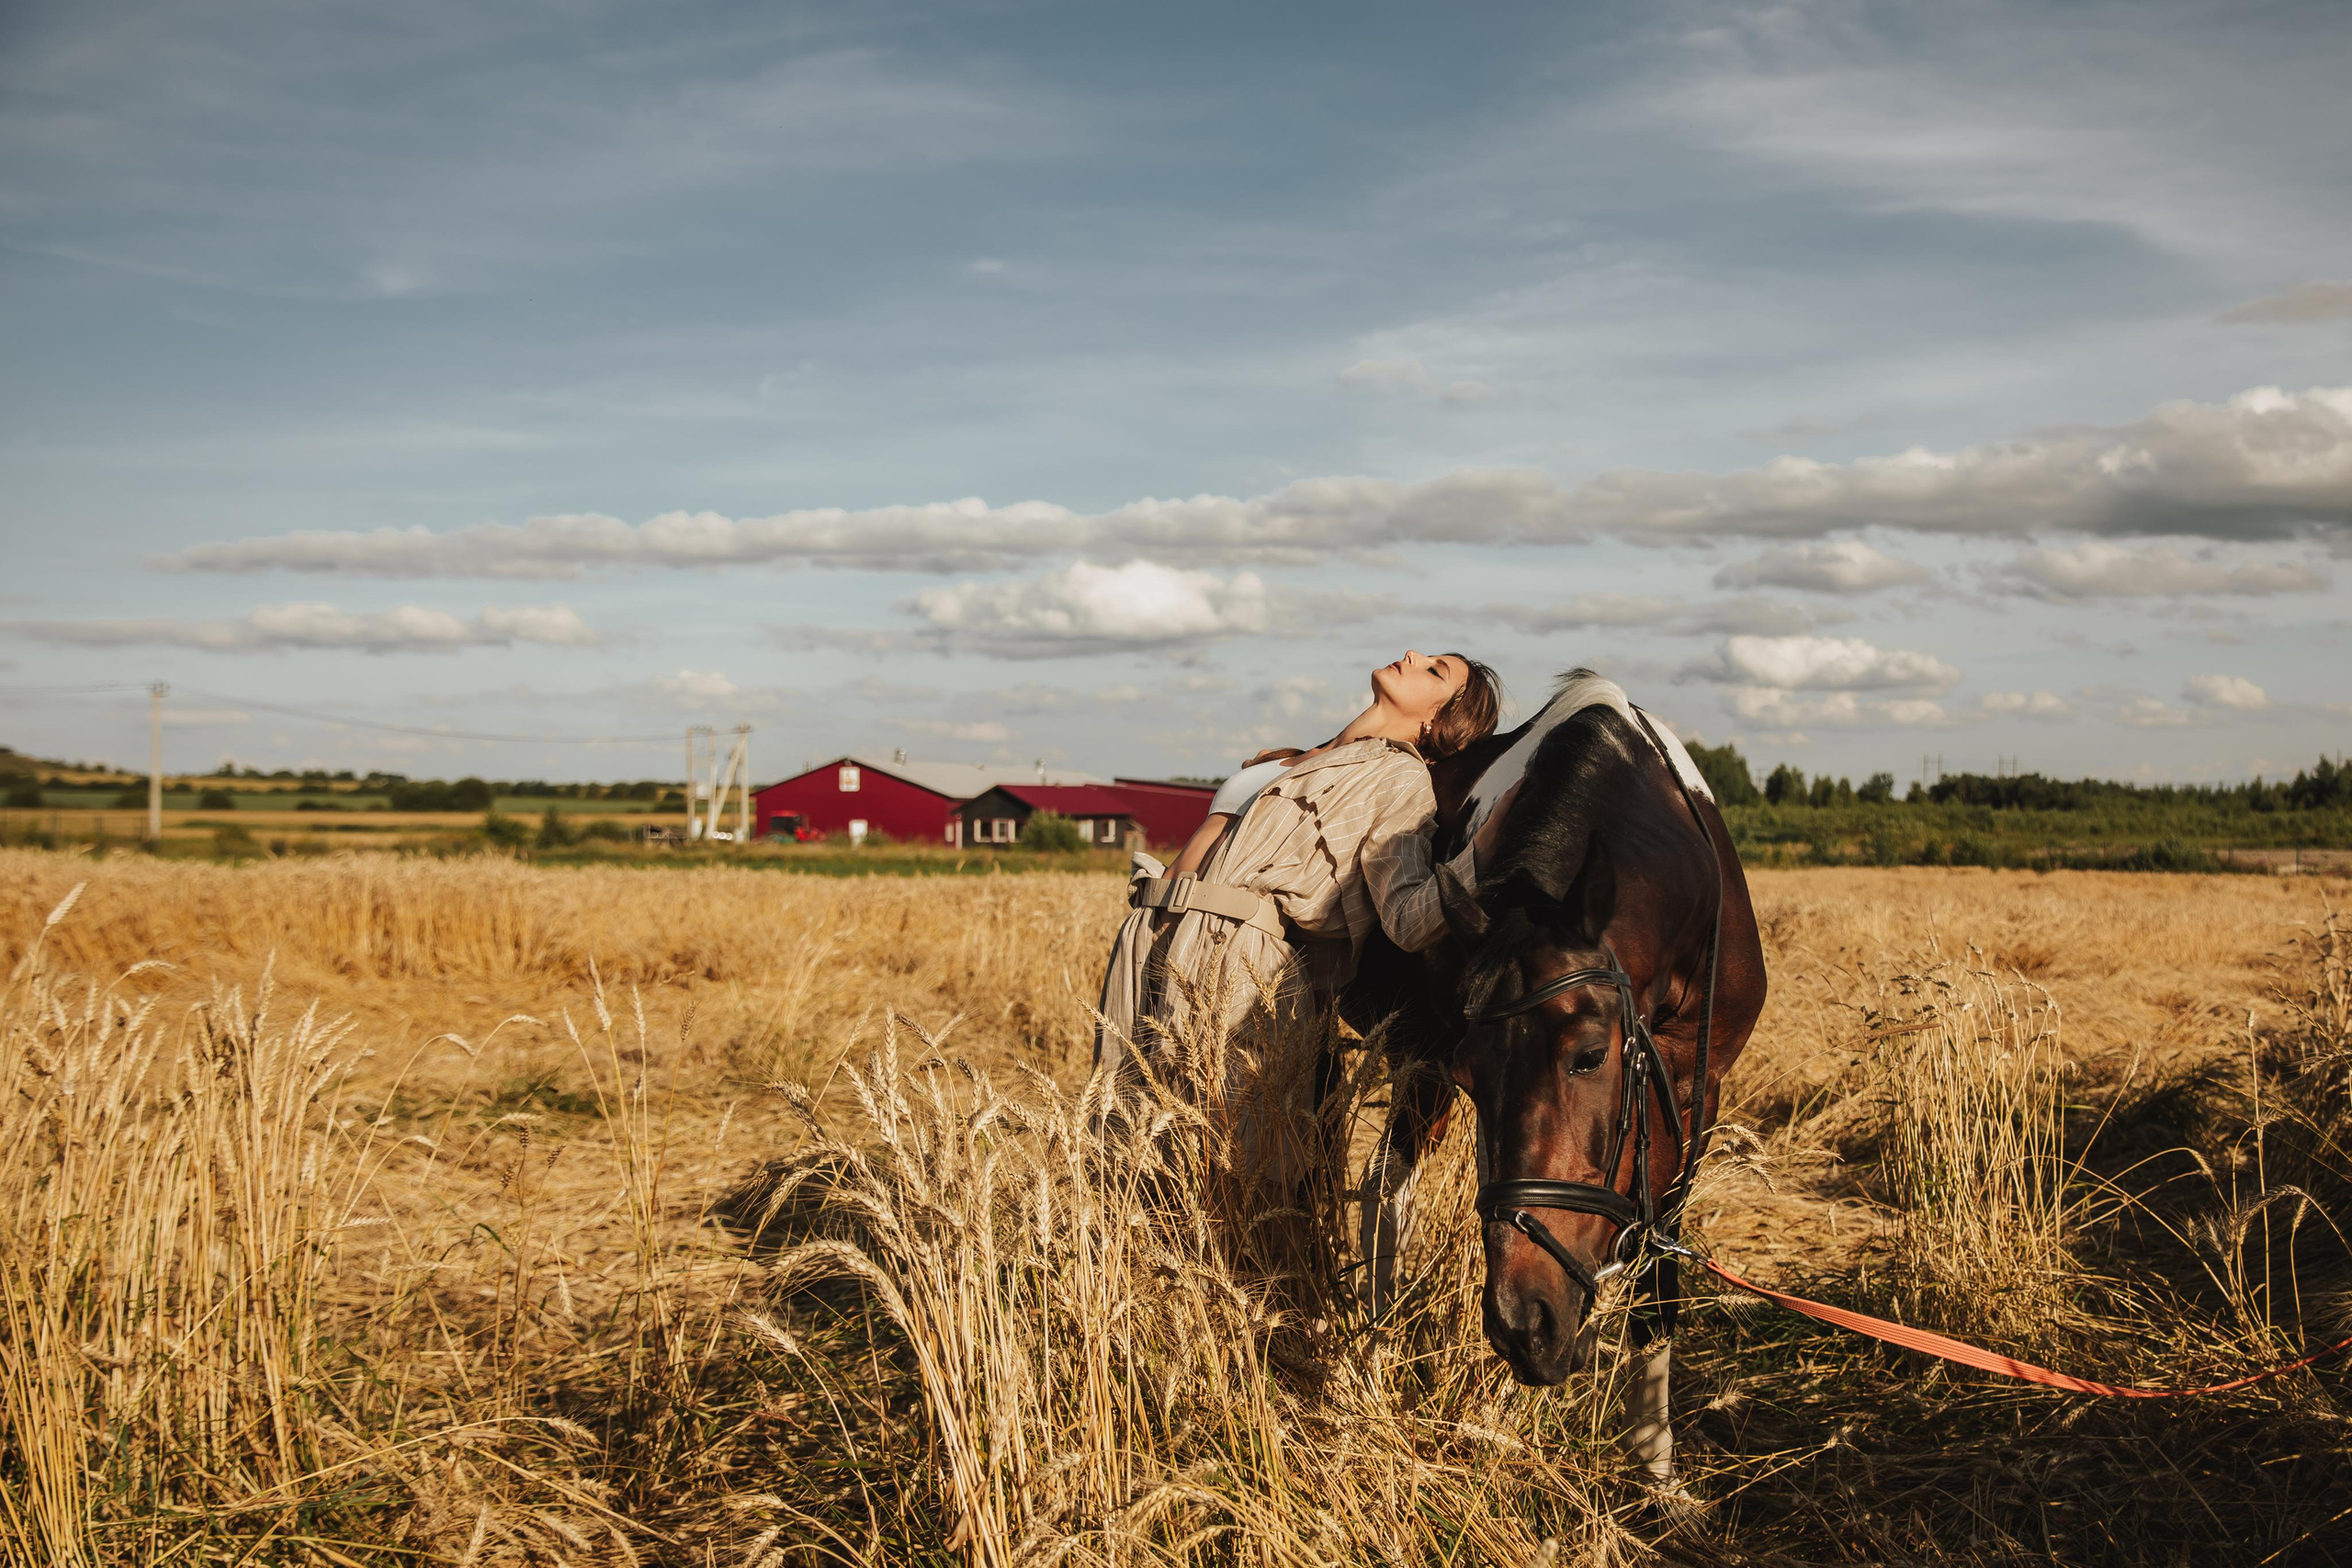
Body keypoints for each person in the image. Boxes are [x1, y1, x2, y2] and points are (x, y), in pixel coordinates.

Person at [1093, 649, 1502, 1192]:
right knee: (1119, 1148)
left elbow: (1407, 918)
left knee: (1223, 1169)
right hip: (1148, 941)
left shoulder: (1400, 782)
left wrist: (1487, 847)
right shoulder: (1289, 760)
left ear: (1440, 720)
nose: (1412, 655)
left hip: (1234, 962)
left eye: (1434, 670)